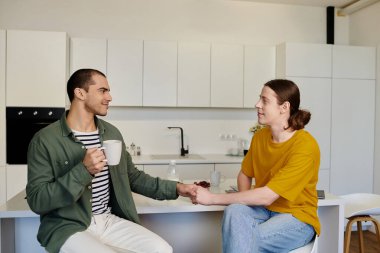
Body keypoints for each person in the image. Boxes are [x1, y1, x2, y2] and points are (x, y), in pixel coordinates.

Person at [26, 69, 198, 253]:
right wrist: (84, 170)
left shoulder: (111, 133)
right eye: (102, 90)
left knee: (162, 249)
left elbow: (134, 177)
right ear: (80, 93)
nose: (110, 97)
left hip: (108, 220)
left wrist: (177, 188)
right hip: (68, 225)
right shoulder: (45, 140)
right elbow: (37, 200)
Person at [194, 79, 320, 253]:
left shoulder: (305, 146)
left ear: (284, 107)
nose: (257, 104)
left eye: (265, 101)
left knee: (243, 236)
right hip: (264, 211)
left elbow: (266, 196)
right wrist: (244, 201)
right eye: (259, 99)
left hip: (297, 218)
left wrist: (212, 198)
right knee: (235, 211)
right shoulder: (260, 137)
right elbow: (245, 174)